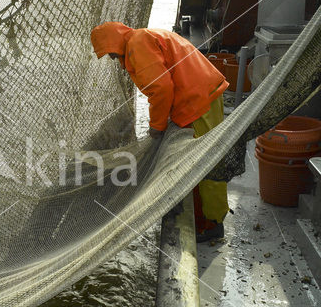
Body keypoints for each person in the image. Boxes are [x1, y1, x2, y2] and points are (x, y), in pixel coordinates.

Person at [90, 21, 229, 242]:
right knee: (194, 159)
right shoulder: (141, 38)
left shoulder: (137, 45)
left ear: (114, 43)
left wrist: (156, 127)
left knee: (206, 162)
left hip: (200, 100)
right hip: (198, 96)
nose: (114, 60)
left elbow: (161, 88)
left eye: (111, 54)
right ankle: (202, 216)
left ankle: (213, 223)